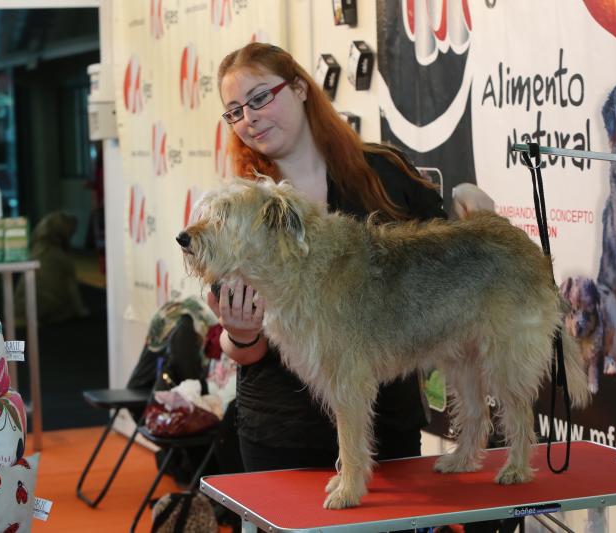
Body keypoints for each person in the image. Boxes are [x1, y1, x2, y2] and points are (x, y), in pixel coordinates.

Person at [210, 42, 492, 473]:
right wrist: (241, 333)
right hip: (284, 436)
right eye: (234, 111)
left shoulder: (384, 174)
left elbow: (445, 256)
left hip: (387, 428)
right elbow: (243, 349)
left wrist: (475, 217)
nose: (249, 118)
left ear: (301, 88)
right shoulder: (242, 211)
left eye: (260, 97)